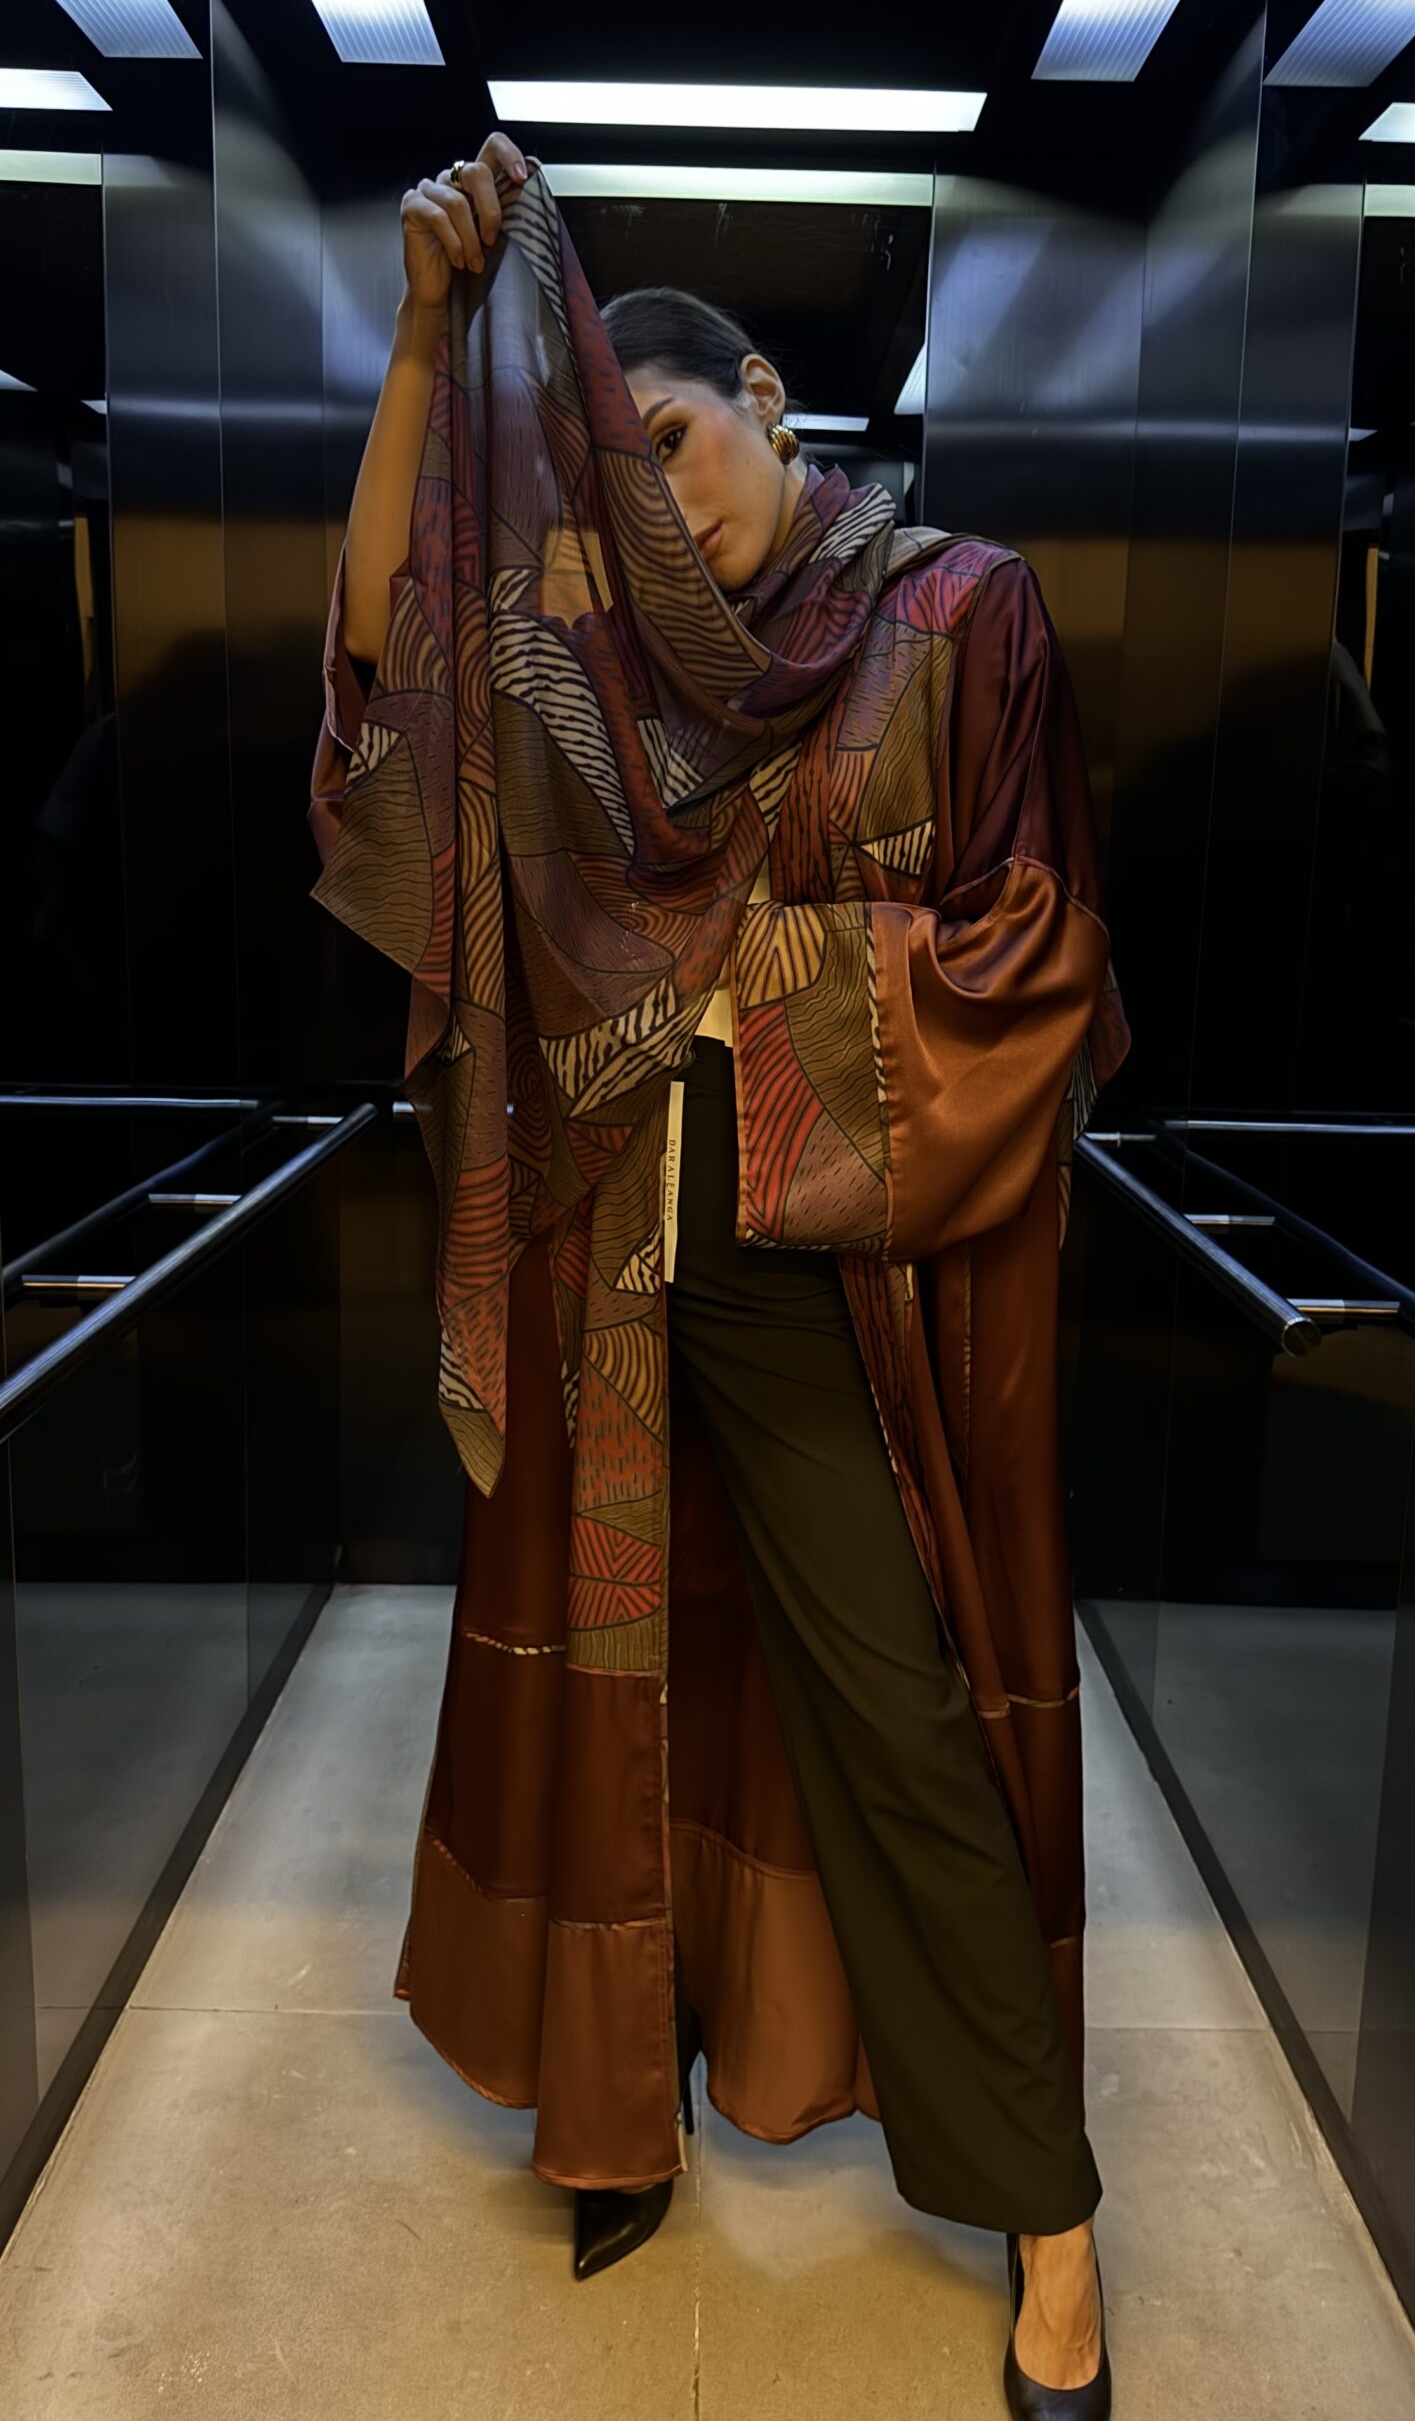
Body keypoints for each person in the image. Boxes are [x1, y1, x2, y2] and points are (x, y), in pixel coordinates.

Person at [311, 131, 1130, 2419]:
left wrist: (731, 1001)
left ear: (768, 398)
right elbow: (380, 683)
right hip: (600, 1252)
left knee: (891, 1704)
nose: (664, 510)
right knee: (611, 1693)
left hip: (823, 1267)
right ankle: (617, 2107)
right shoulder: (598, 666)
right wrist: (418, 338)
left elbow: (1037, 948)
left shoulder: (959, 614)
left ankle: (1048, 2206)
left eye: (676, 443)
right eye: (622, 482)